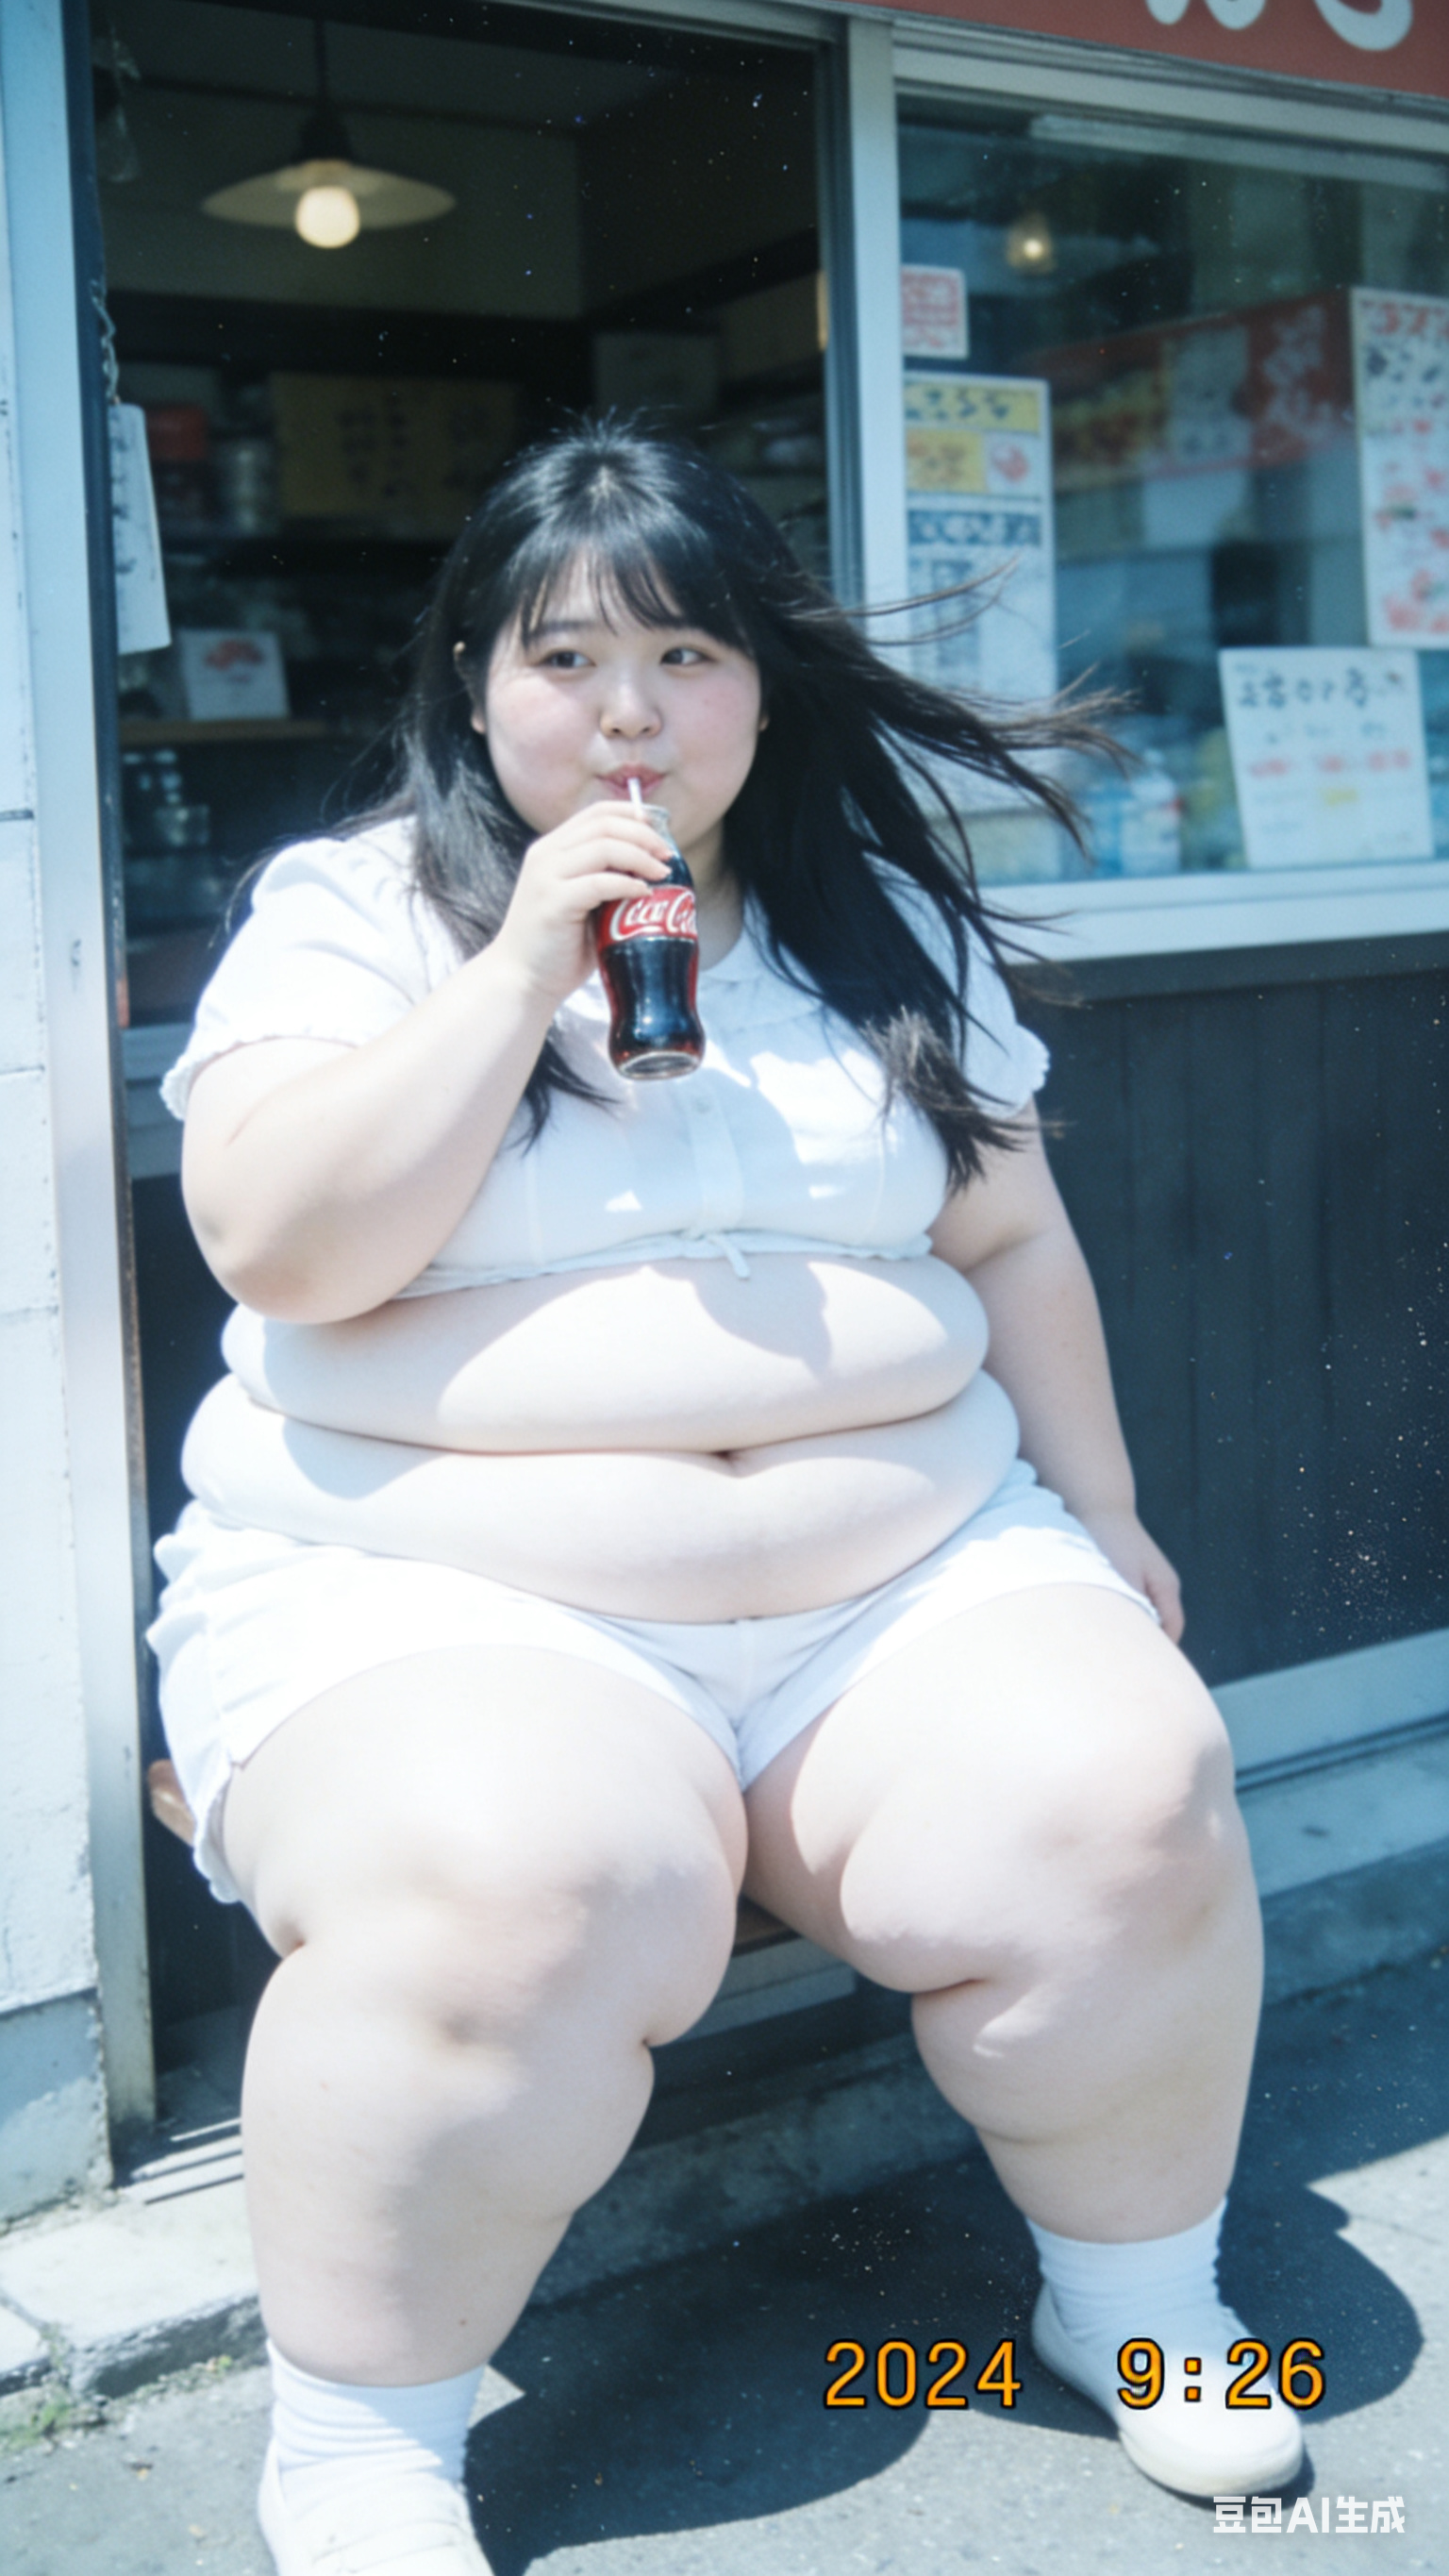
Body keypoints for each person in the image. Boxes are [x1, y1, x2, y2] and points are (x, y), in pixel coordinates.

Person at [149, 421, 1302, 2576]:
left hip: (903, 1572)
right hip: (436, 1592)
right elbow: (278, 1245)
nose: (629, 712)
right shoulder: (356, 913)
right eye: (565, 656)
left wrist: (1106, 1510)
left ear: (761, 687)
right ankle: (366, 2438)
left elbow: (1010, 1236)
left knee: (1132, 1786)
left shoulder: (871, 918)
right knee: (522, 1873)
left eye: (685, 654)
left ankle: (1144, 2305)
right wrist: (523, 965)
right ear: (474, 682)